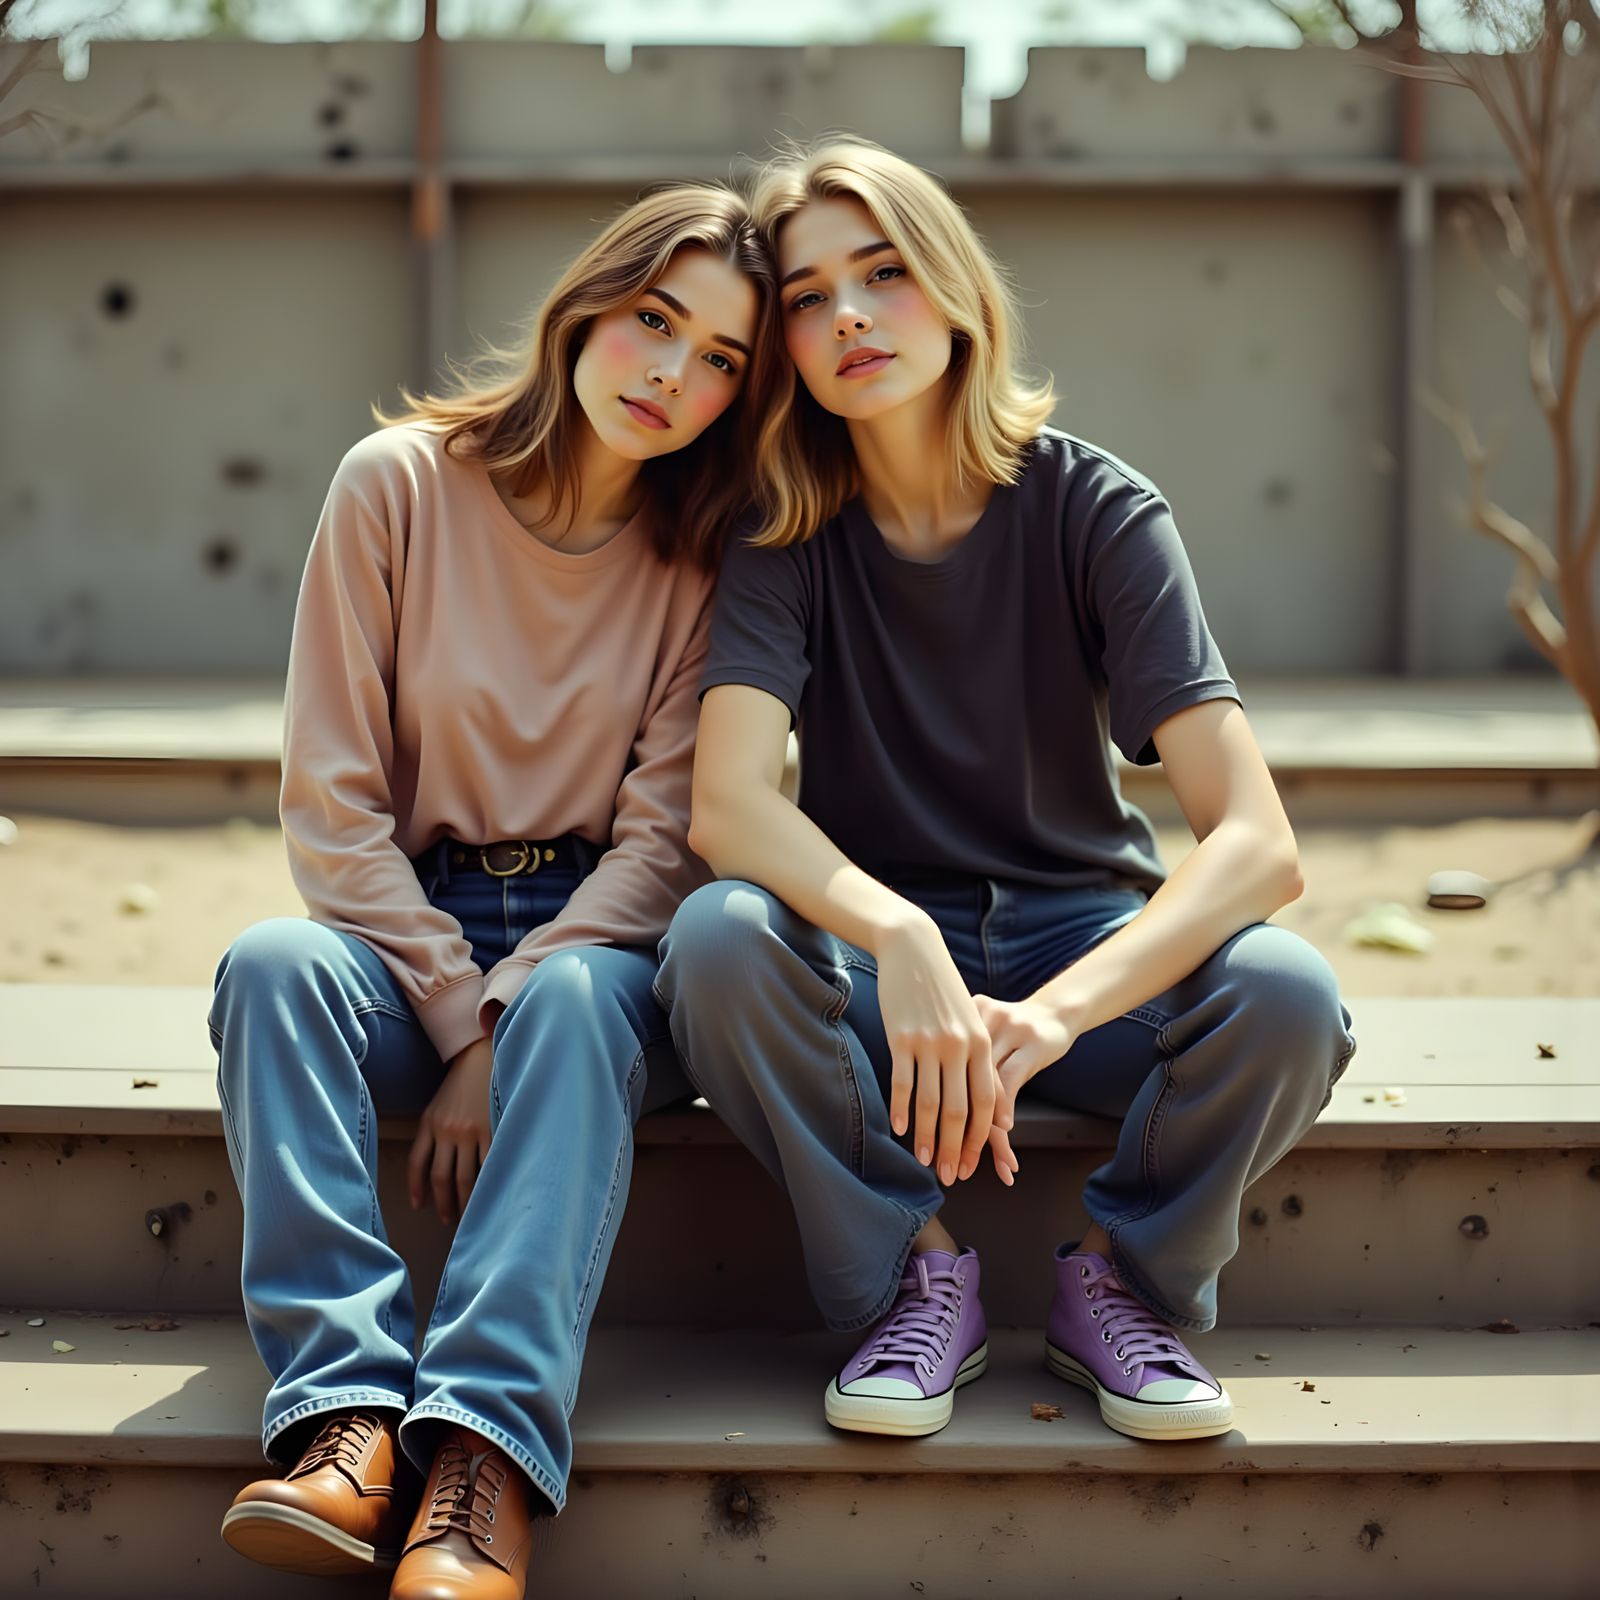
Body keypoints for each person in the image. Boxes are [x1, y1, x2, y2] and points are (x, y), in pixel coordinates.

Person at [656, 138, 1357, 1445]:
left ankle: (1123, 1286)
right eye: (807, 298)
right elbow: (729, 809)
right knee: (713, 945)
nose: (849, 315)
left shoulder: (1098, 510)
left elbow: (1257, 841)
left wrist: (1051, 1016)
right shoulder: (782, 536)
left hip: (1080, 947)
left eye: (882, 273)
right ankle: (916, 1272)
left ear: (959, 289)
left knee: (1288, 993)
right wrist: (900, 934)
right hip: (876, 972)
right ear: (786, 349)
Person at [208, 181, 777, 1599]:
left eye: (722, 362)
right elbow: (331, 808)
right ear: (589, 305)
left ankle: (481, 1458)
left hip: (603, 948)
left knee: (580, 996)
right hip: (408, 931)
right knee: (273, 965)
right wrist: (462, 1021)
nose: (672, 375)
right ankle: (344, 1424)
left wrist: (514, 1009)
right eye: (658, 321)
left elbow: (665, 843)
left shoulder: (705, 563)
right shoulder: (395, 483)